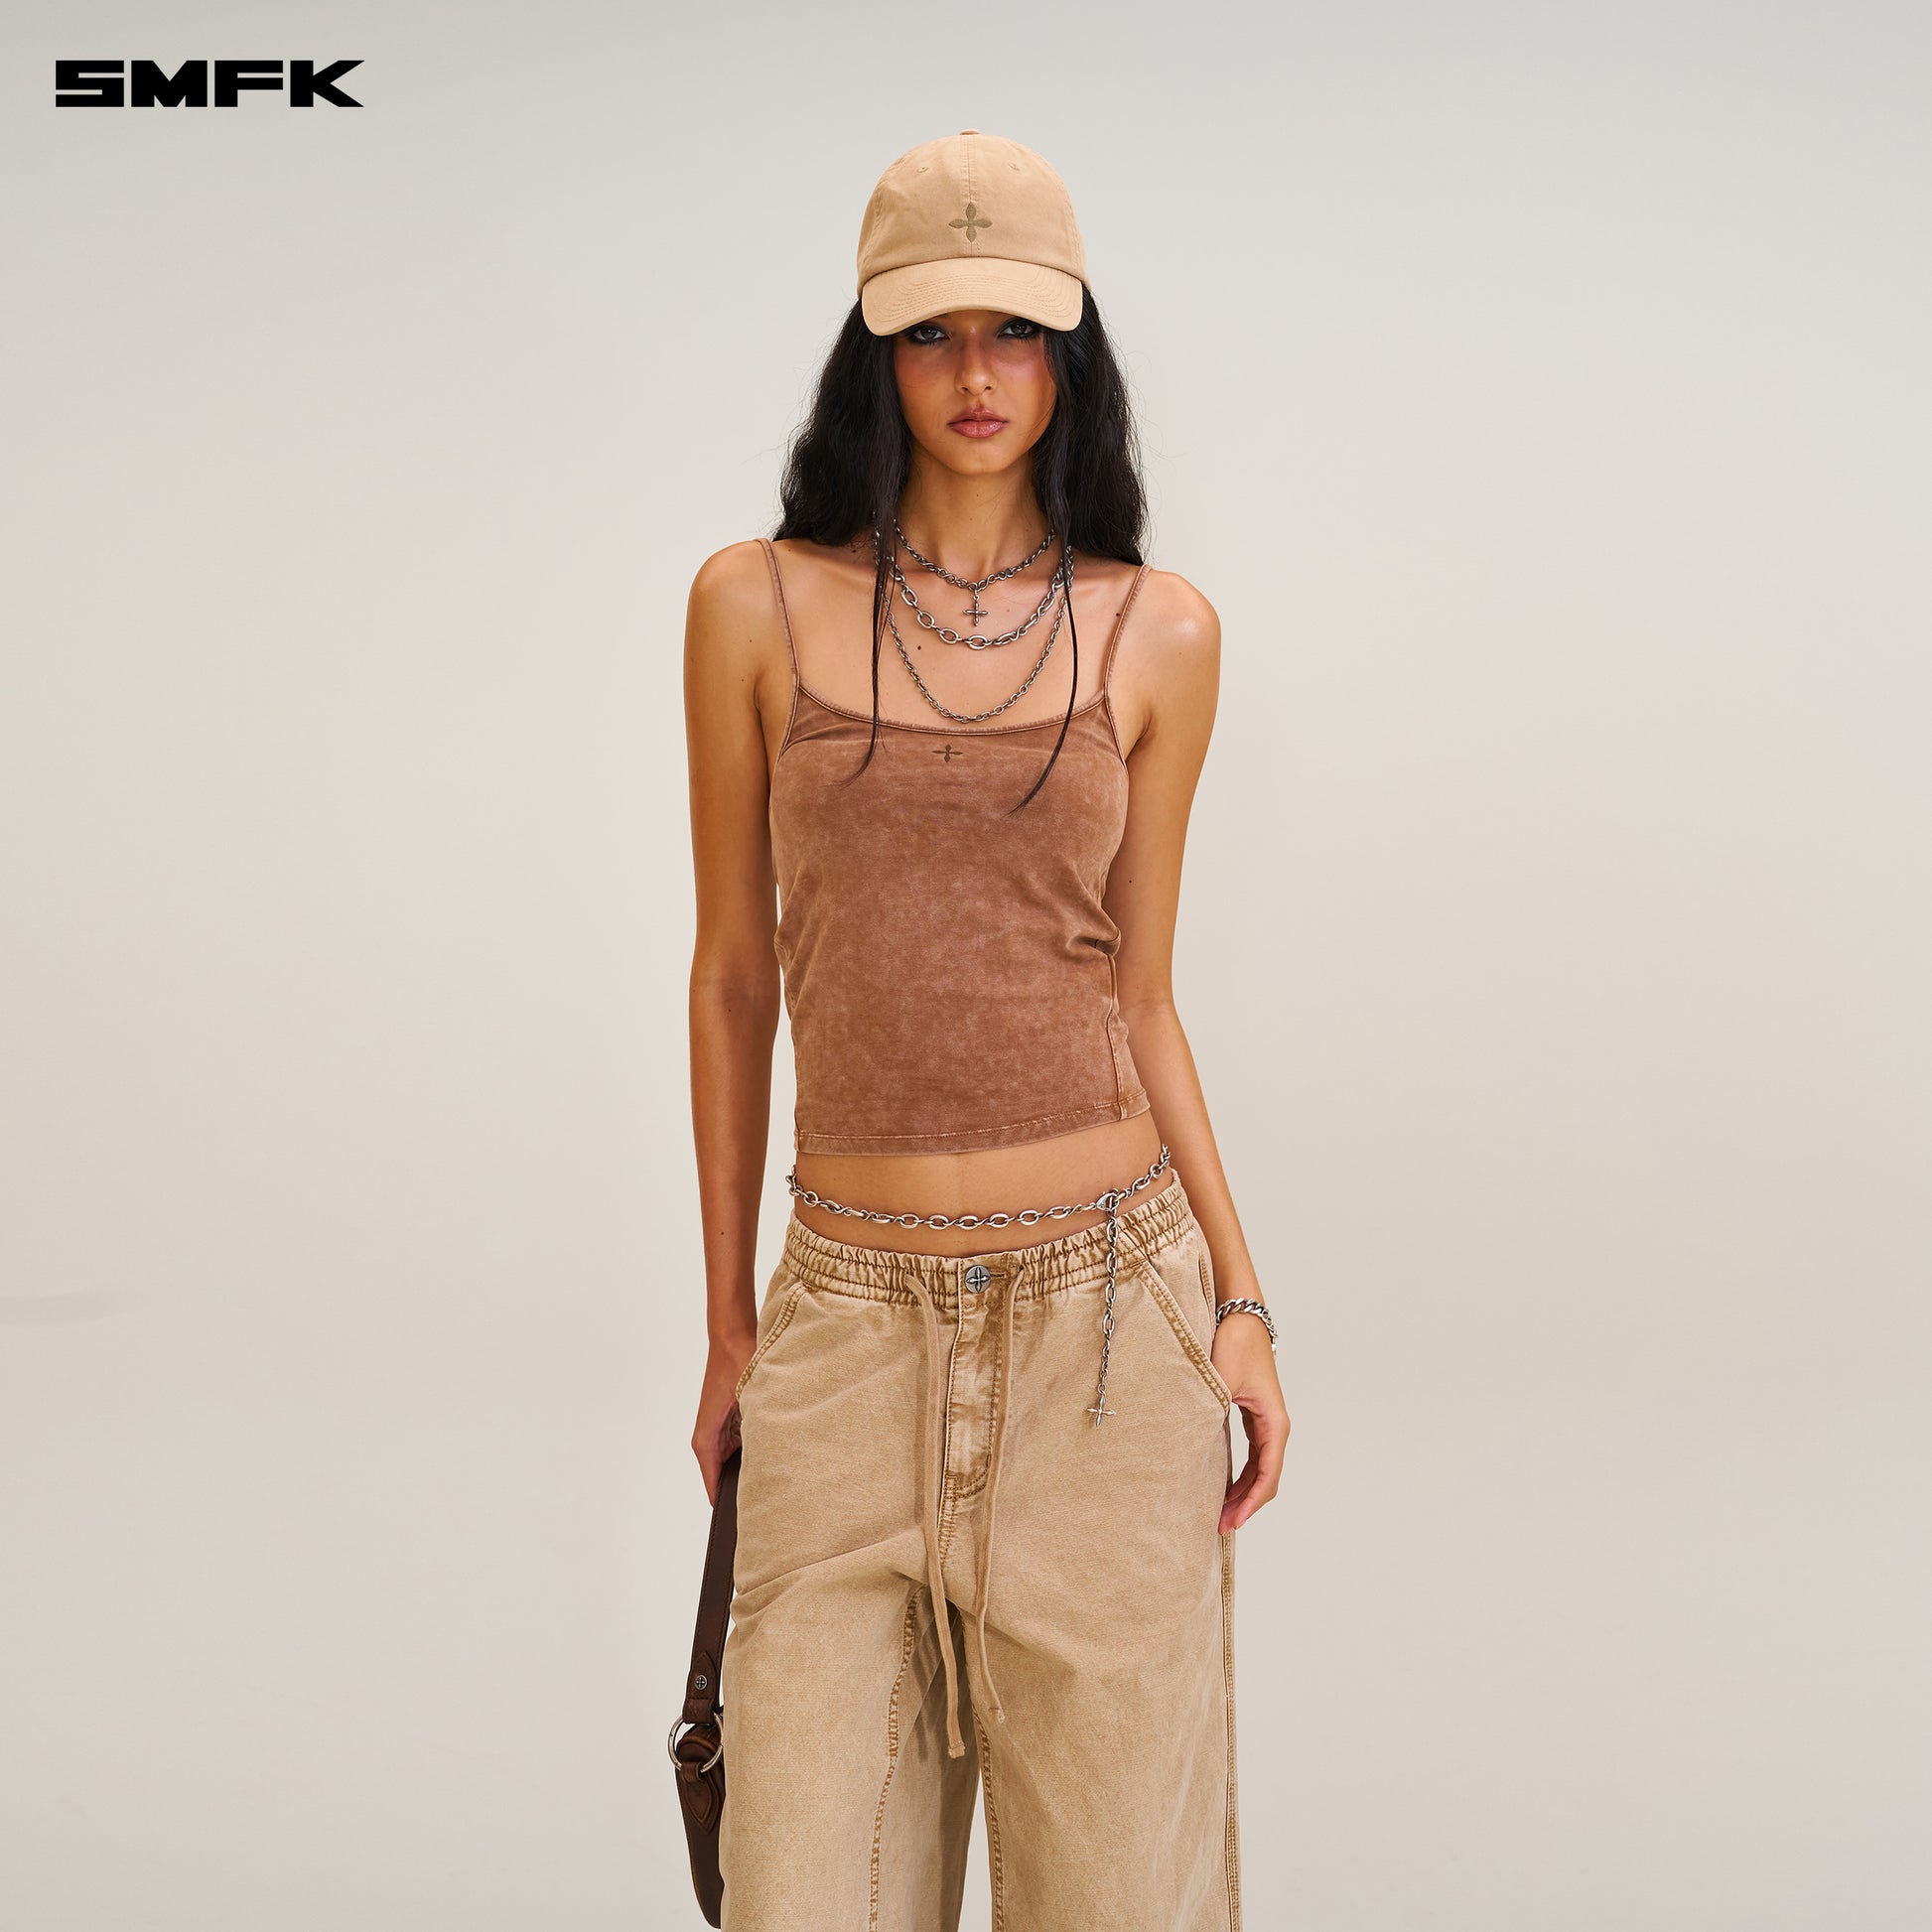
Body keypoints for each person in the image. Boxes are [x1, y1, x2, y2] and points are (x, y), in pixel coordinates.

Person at [682, 128, 1289, 1931]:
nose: (974, 371)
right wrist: (729, 1328)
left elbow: (1141, 994)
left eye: (1014, 330)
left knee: (1115, 1897)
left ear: (1068, 352)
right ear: (872, 352)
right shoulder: (749, 603)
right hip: (845, 1328)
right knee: (799, 1886)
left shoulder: (1157, 632)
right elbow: (731, 975)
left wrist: (1240, 1300)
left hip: (1108, 1330)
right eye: (932, 330)